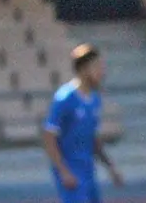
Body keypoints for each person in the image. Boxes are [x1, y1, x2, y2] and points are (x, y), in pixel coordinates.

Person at [42, 43, 124, 203]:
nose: (102, 71)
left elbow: (92, 138)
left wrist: (110, 167)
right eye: (97, 66)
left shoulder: (95, 99)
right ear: (84, 69)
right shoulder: (65, 98)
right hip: (71, 170)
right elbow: (49, 137)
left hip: (88, 170)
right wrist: (63, 171)